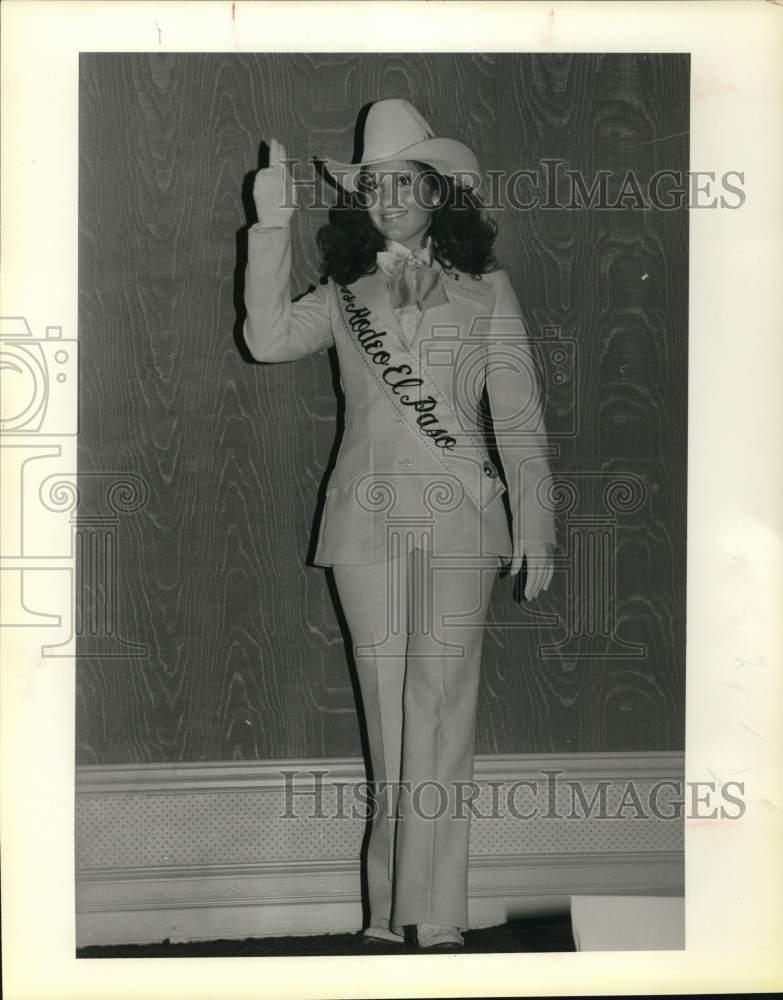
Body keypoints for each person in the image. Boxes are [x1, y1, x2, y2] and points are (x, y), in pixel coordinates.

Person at [243, 98, 555, 951]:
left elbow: (519, 416)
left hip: (462, 520)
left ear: (437, 190)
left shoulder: (486, 291)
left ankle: (438, 914)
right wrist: (270, 226)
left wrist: (537, 525)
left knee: (443, 707)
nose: (385, 197)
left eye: (401, 182)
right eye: (371, 185)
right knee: (386, 713)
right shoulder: (345, 296)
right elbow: (267, 339)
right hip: (364, 525)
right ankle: (387, 914)